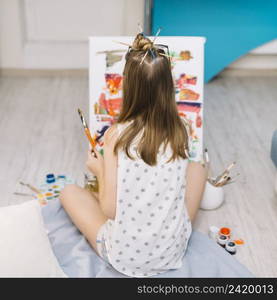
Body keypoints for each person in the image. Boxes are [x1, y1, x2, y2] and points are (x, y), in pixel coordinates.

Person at [60, 32, 208, 277]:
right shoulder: (182, 128)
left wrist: (99, 170)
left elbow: (109, 210)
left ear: (127, 86)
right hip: (172, 252)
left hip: (123, 257)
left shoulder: (116, 135)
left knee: (69, 192)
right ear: (168, 86)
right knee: (199, 168)